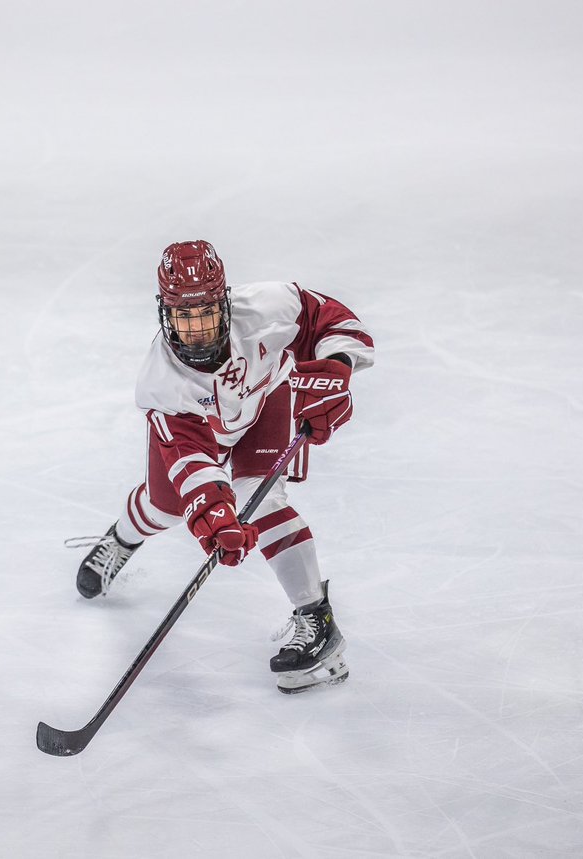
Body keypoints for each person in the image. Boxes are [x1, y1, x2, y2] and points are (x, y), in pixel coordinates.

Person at [73, 240, 374, 693]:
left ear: (225, 303)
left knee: (261, 499)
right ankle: (122, 538)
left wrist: (336, 368)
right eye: (184, 317)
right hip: (201, 429)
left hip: (266, 400)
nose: (197, 330)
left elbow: (332, 319)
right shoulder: (162, 383)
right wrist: (213, 513)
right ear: (165, 314)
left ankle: (317, 617)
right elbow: (191, 460)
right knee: (164, 508)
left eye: (207, 314)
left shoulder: (269, 306)